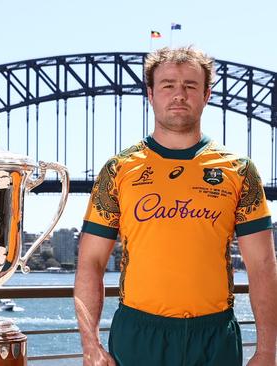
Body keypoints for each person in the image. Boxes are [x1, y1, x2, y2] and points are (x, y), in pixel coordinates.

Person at [75, 46, 277, 366]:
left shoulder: (238, 171)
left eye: (190, 86)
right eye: (168, 85)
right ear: (150, 94)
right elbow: (90, 262)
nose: (179, 95)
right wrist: (90, 345)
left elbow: (263, 266)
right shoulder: (118, 169)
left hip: (214, 336)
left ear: (207, 95)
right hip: (139, 334)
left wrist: (267, 351)